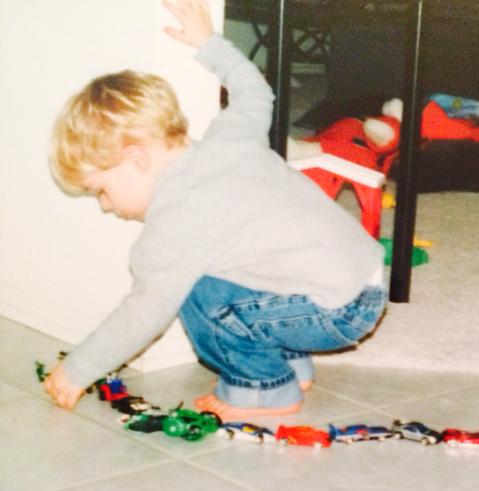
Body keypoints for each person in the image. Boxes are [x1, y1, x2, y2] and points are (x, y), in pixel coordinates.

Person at [44, 0, 386, 421]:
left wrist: (77, 370)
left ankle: (263, 390)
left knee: (197, 295)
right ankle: (290, 367)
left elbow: (142, 315)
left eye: (102, 190)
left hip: (335, 308)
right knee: (240, 271)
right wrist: (209, 43)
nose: (106, 205)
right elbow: (255, 92)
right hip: (363, 278)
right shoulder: (229, 139)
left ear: (136, 160)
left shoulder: (175, 223)